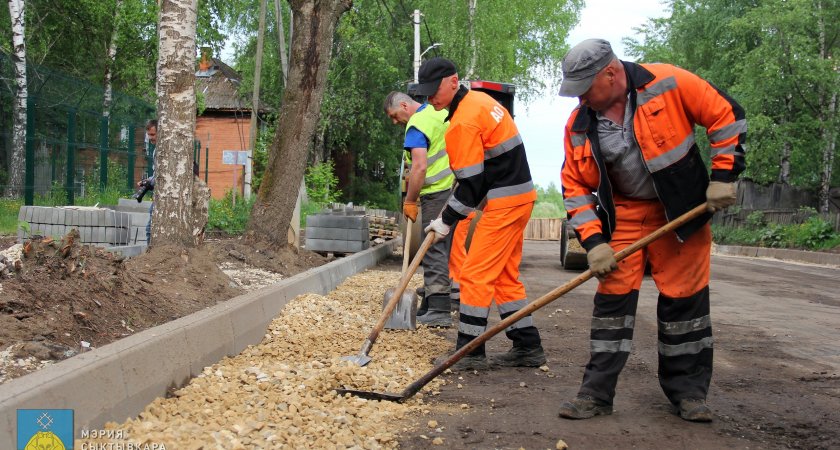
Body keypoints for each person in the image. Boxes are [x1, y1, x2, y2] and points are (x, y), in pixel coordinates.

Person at [556, 39, 746, 422]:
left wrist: (724, 175)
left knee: (685, 304)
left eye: (585, 88)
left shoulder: (667, 82)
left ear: (611, 74)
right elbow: (575, 188)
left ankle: (689, 394)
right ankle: (596, 394)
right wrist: (594, 243)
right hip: (625, 213)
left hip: (681, 211)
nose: (580, 98)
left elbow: (727, 115)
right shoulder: (579, 124)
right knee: (612, 304)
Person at [416, 57, 546, 370]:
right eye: (426, 92)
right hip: (520, 197)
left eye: (435, 90)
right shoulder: (481, 101)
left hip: (505, 203)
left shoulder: (463, 121)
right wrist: (450, 216)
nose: (430, 98)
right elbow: (480, 176)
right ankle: (527, 345)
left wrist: (445, 221)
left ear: (453, 81)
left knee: (474, 274)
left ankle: (469, 352)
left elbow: (471, 185)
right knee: (503, 276)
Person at [383, 91, 456, 326]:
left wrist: (410, 200)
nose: (395, 122)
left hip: (436, 191)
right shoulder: (438, 113)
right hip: (453, 189)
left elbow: (419, 167)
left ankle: (439, 309)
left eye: (394, 115)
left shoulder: (416, 124)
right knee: (440, 247)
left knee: (433, 248)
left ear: (404, 105)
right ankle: (431, 300)